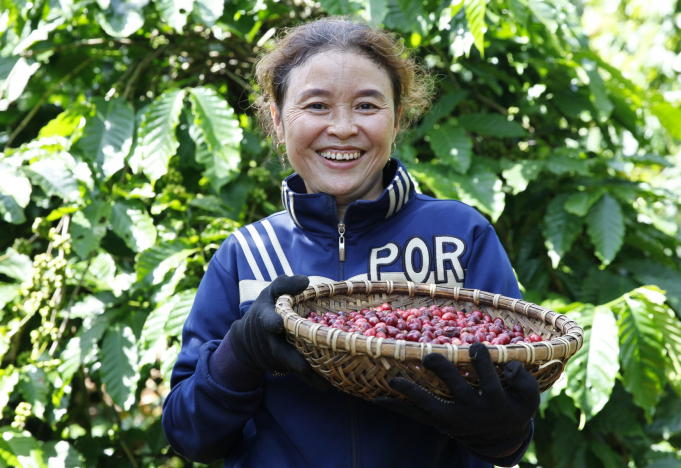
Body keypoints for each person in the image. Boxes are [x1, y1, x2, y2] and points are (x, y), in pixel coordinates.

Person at [162, 17, 540, 468]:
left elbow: (510, 435)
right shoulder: (246, 254)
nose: (342, 127)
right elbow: (189, 435)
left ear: (397, 120)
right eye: (317, 106)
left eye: (366, 106)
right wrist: (238, 355)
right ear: (279, 123)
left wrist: (501, 428)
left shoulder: (460, 237)